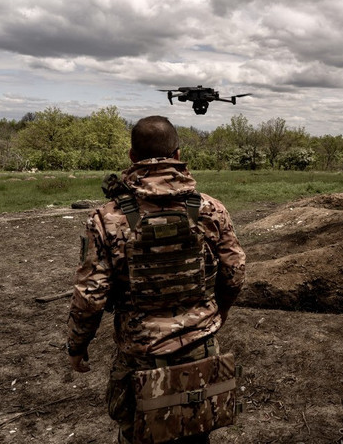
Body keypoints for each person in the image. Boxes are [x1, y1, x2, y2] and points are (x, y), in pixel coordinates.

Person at [66, 115, 246, 444]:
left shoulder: (105, 218)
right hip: (201, 347)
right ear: (177, 155)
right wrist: (220, 313)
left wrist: (77, 346)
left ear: (132, 157)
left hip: (141, 356)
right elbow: (234, 270)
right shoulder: (210, 209)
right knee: (195, 430)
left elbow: (89, 296)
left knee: (139, 435)